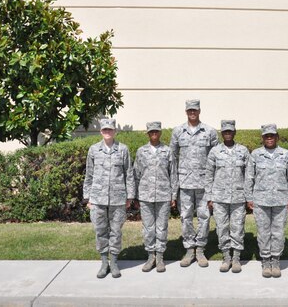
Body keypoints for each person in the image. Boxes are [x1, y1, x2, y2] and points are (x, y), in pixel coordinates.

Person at [244, 124, 288, 278]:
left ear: (277, 137)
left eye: (272, 136)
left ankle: (276, 261)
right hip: (260, 201)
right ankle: (266, 261)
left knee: (278, 232)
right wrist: (249, 198)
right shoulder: (255, 154)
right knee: (263, 232)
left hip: (280, 201)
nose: (269, 138)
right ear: (262, 138)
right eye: (266, 136)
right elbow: (249, 178)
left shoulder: (285, 154)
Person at [83, 118, 135, 279]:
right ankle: (104, 262)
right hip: (97, 198)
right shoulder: (93, 150)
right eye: (105, 129)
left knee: (116, 231)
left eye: (110, 129)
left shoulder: (123, 150)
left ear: (115, 131)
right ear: (101, 131)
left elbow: (129, 174)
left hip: (118, 198)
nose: (107, 132)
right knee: (100, 230)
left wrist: (130, 196)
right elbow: (89, 174)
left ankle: (114, 262)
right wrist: (87, 197)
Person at [170, 99, 218, 267]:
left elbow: (215, 159)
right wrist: (174, 186)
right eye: (189, 110)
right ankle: (190, 249)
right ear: (186, 111)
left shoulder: (210, 132)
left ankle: (200, 249)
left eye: (195, 110)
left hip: (204, 183)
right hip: (184, 183)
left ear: (199, 111)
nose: (192, 112)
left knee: (204, 216)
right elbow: (172, 159)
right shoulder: (177, 132)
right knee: (186, 217)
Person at [205, 120, 250, 273]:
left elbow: (249, 175)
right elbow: (209, 175)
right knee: (222, 228)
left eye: (230, 131)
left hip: (238, 197)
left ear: (234, 132)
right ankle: (226, 257)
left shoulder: (243, 151)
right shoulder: (215, 151)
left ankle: (236, 258)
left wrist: (248, 197)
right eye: (225, 132)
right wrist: (209, 196)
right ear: (222, 133)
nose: (228, 134)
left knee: (237, 228)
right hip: (219, 198)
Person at [133, 121, 178, 273]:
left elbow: (173, 173)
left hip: (164, 195)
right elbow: (136, 174)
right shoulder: (141, 151)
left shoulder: (167, 151)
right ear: (148, 133)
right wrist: (136, 197)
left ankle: (160, 257)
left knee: (161, 227)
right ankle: (150, 256)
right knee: (148, 228)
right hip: (145, 196)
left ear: (160, 133)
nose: (154, 134)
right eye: (151, 132)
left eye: (156, 131)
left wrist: (173, 195)